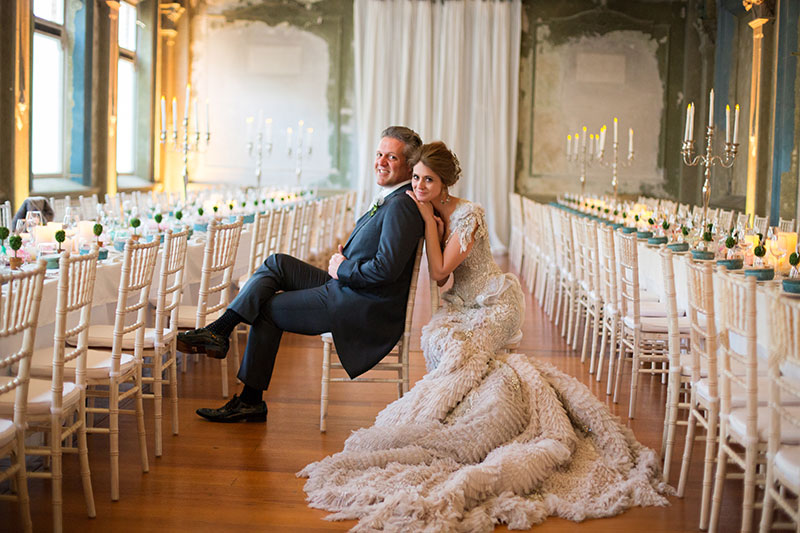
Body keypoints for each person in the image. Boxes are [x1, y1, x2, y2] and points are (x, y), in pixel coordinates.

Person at [298, 141, 670, 531]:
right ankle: (457, 414)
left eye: (429, 180)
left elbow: (440, 273)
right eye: (417, 178)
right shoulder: (430, 209)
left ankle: (488, 426)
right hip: (462, 303)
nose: (420, 186)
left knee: (467, 358)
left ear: (445, 184)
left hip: (494, 304)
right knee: (442, 341)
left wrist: (429, 224)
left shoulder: (468, 215)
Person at [177, 126, 425, 422]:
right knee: (278, 263)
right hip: (347, 287)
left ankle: (250, 399)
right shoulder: (393, 199)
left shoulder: (401, 206)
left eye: (391, 157)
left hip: (359, 305)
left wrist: (343, 267)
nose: (381, 161)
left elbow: (386, 269)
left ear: (410, 166)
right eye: (379, 154)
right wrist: (347, 256)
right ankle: (221, 329)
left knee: (267, 309)